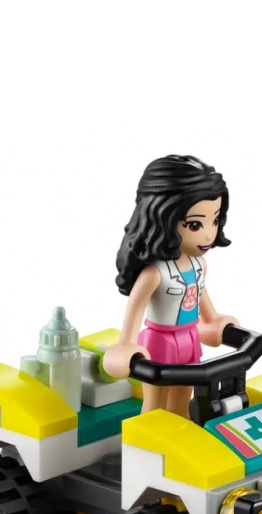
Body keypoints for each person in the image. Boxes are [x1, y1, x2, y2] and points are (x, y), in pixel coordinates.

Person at [103, 155, 238, 416]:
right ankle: (149, 441)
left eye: (214, 221)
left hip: (190, 338)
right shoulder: (155, 273)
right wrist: (127, 344)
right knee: (155, 404)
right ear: (163, 220)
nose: (209, 234)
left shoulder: (199, 266)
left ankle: (179, 438)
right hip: (160, 342)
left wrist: (213, 320)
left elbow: (200, 296)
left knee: (182, 402)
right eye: (195, 225)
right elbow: (135, 310)